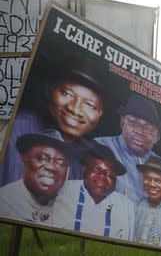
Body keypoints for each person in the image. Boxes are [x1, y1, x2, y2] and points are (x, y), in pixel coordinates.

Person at [0, 56, 109, 185]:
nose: (75, 109)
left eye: (89, 105)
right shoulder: (13, 128)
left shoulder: (94, 158)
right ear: (50, 90)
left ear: (100, 113)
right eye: (67, 94)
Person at [95, 94, 161, 205]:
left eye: (148, 128)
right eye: (133, 122)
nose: (139, 131)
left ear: (156, 137)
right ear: (122, 122)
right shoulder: (97, 147)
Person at [55, 141, 134, 240]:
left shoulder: (126, 206)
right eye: (97, 169)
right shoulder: (63, 192)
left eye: (110, 174)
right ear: (84, 168)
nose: (102, 176)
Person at [0, 129, 74, 224]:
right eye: (42, 158)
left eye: (60, 163)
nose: (51, 167)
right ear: (25, 158)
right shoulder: (4, 201)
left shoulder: (67, 210)